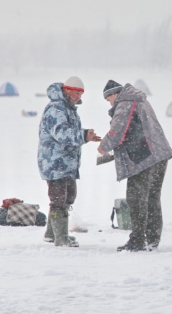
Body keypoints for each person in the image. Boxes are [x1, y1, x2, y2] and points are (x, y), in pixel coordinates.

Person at [98, 80, 172, 252]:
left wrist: (103, 146)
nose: (109, 103)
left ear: (114, 94)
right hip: (160, 154)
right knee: (152, 198)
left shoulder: (125, 103)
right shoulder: (141, 100)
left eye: (108, 99)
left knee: (136, 199)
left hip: (144, 157)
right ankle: (153, 239)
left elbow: (117, 132)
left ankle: (137, 241)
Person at [37, 76, 101, 247]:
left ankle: (52, 234)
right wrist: (83, 135)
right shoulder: (56, 109)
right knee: (59, 199)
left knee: (68, 196)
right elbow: (61, 134)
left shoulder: (69, 108)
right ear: (66, 90)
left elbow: (70, 133)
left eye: (81, 93)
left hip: (66, 163)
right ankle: (61, 238)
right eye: (75, 92)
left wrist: (86, 136)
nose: (78, 96)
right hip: (54, 163)